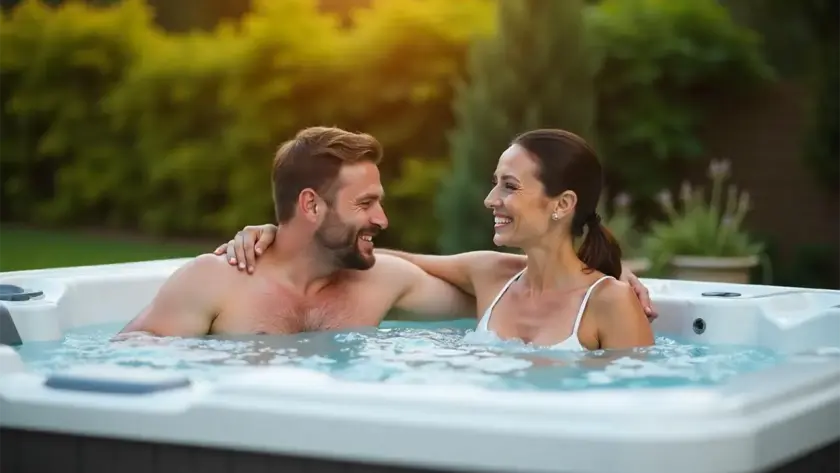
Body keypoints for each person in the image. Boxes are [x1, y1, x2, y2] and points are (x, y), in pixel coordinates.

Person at [216, 129, 656, 350]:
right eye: (495, 183)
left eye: (509, 186)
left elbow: (640, 412)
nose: (490, 200)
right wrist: (285, 236)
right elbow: (376, 256)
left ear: (562, 204)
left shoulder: (609, 303)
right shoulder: (489, 277)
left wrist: (612, 276)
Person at [119, 126, 477, 337]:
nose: (382, 219)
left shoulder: (384, 280)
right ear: (311, 206)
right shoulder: (215, 280)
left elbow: (499, 301)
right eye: (365, 203)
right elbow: (127, 362)